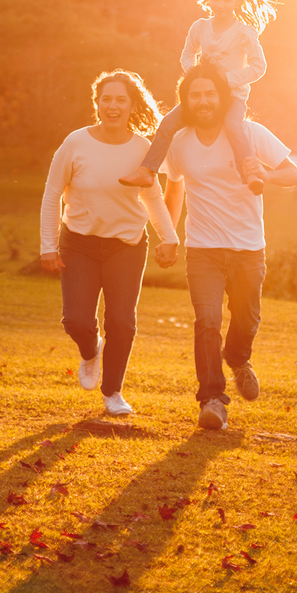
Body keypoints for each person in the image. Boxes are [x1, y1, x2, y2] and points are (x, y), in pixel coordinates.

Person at [160, 62, 297, 430]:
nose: (203, 101)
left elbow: (294, 173)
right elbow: (174, 188)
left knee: (247, 318)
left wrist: (264, 173)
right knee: (206, 321)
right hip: (203, 249)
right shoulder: (179, 142)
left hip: (247, 247)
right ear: (186, 100)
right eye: (196, 95)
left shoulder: (249, 133)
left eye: (210, 93)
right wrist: (169, 236)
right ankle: (211, 400)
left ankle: (238, 358)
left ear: (223, 97)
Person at [40, 69, 180, 418]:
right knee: (75, 321)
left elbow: (153, 197)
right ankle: (91, 352)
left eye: (121, 100)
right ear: (97, 103)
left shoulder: (143, 148)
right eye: (106, 99)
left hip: (126, 246)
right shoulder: (76, 143)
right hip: (79, 244)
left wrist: (170, 237)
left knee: (121, 321)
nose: (113, 106)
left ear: (132, 105)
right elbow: (52, 193)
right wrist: (47, 245)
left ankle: (113, 391)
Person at [120, 0, 275, 195]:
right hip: (202, 96)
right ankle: (147, 171)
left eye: (227, 0)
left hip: (233, 97)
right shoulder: (199, 28)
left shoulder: (244, 32)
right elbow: (187, 55)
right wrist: (194, 78)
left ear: (236, 1)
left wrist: (226, 79)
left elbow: (258, 67)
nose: (221, 5)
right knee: (167, 123)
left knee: (233, 126)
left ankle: (249, 173)